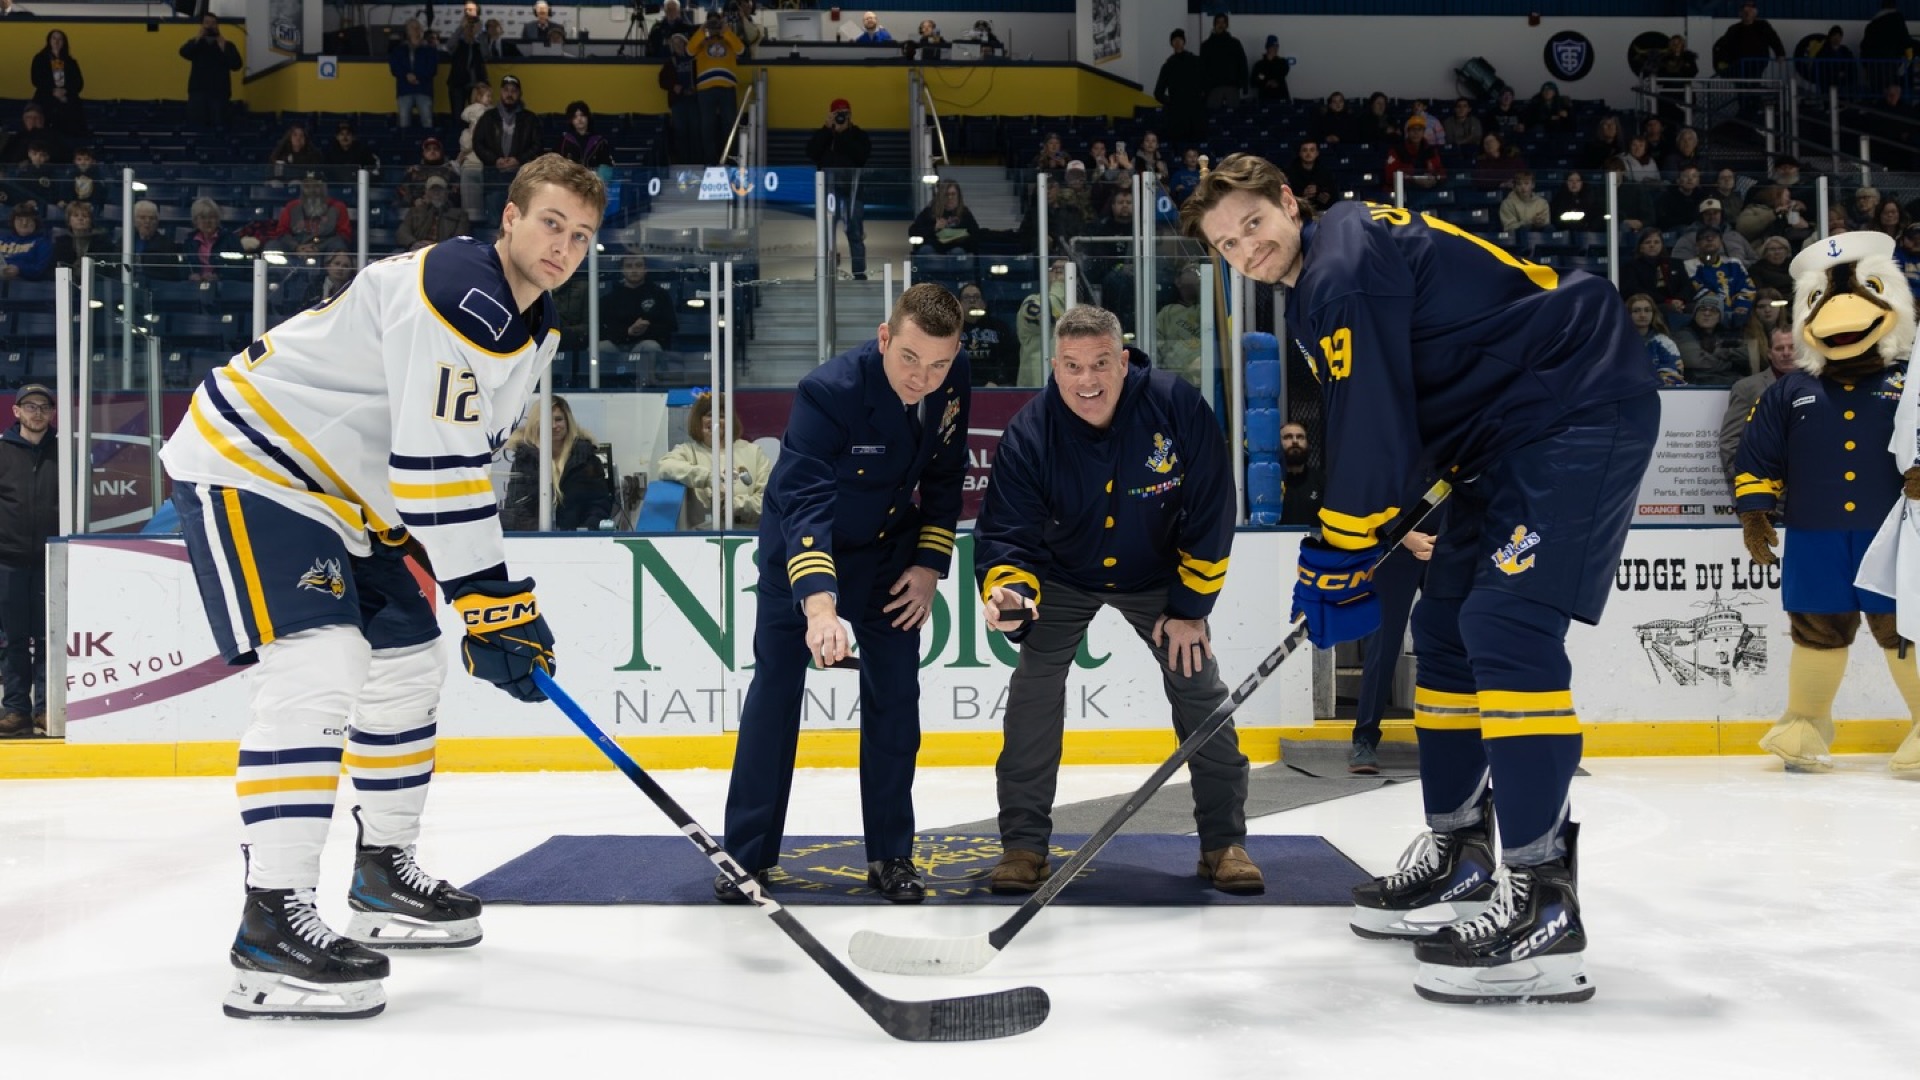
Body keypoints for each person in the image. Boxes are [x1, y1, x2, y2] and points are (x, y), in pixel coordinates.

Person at [1184, 154, 1658, 1003]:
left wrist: (1340, 549)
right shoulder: (1330, 270)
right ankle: (1460, 858)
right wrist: (1367, 536)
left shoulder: (1340, 265)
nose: (1244, 248)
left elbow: (1367, 421)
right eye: (1226, 243)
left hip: (1573, 403)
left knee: (1507, 630)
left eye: (1253, 223)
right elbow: (1401, 411)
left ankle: (1545, 900)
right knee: (1443, 630)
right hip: (1501, 435)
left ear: (1290, 202)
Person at [157, 155, 606, 1020]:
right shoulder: (458, 287)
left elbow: (468, 459)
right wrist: (494, 602)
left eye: (582, 236)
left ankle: (380, 875)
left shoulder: (534, 322)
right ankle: (269, 923)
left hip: (353, 501)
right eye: (551, 223)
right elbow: (435, 466)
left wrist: (486, 605)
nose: (565, 246)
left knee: (408, 662)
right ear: (507, 219)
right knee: (319, 665)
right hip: (259, 465)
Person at [974, 304, 1261, 894]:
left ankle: (1223, 842)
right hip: (1063, 575)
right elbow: (1008, 531)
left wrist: (1189, 609)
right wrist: (1012, 591)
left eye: (1101, 363)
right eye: (1073, 366)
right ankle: (1024, 847)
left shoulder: (1176, 405)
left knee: (1198, 684)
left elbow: (1211, 506)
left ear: (1124, 361)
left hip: (1157, 576)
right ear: (1054, 367)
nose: (1088, 380)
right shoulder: (1030, 431)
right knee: (1033, 690)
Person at [717, 283, 971, 905]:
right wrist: (820, 603)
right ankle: (746, 858)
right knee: (774, 695)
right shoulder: (827, 392)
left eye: (939, 364)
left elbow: (944, 475)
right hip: (800, 557)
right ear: (885, 337)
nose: (923, 377)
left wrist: (930, 564)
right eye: (910, 358)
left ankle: (891, 857)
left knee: (895, 702)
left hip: (888, 557)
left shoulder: (951, 378)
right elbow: (806, 501)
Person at [1350, 523, 1438, 774]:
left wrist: (1452, 537)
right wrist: (1402, 535)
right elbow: (1373, 494)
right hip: (1393, 548)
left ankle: (1456, 735)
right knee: (1382, 646)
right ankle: (1364, 738)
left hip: (1446, 546)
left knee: (1452, 644)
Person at [0, 384, 57, 738]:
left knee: (50, 638)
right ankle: (16, 710)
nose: (38, 412)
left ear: (52, 414)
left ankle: (48, 709)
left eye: (44, 407)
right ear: (16, 411)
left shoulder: (65, 451)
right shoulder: (2, 451)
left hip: (53, 560)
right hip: (8, 560)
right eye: (30, 406)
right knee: (14, 639)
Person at [652, 392, 773, 529]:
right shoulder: (688, 451)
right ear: (698, 420)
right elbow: (665, 467)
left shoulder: (753, 452)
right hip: (702, 538)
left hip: (747, 536)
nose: (715, 421)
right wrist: (709, 477)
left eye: (721, 416)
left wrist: (732, 505)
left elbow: (769, 500)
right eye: (709, 415)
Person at [502, 396, 613, 531]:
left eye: (559, 419)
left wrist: (586, 530)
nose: (554, 426)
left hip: (579, 540)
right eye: (547, 421)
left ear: (568, 421)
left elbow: (599, 504)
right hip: (535, 542)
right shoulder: (524, 460)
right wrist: (538, 535)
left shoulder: (587, 459)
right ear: (536, 424)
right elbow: (516, 507)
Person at [1719, 325, 1796, 492]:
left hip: (1807, 490)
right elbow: (1730, 441)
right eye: (1779, 348)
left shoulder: (1819, 386)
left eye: (1792, 347)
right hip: (1761, 489)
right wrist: (1743, 484)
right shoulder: (1747, 387)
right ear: (1769, 353)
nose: (1786, 353)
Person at [808, 98, 871, 280]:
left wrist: (843, 134)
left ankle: (859, 273)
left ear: (851, 115)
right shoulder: (825, 134)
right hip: (828, 191)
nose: (842, 117)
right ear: (831, 115)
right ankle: (824, 271)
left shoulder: (859, 135)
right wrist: (827, 130)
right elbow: (811, 153)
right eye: (838, 114)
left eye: (845, 113)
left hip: (853, 191)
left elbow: (861, 157)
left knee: (855, 233)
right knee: (826, 234)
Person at [472, 75, 543, 223]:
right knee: (494, 222)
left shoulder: (530, 119)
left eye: (513, 91)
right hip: (494, 176)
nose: (509, 94)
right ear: (501, 92)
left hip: (521, 178)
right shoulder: (488, 117)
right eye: (506, 90)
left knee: (519, 221)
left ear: (519, 94)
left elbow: (537, 145)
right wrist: (494, 160)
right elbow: (478, 143)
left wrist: (518, 160)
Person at [597, 255, 677, 383]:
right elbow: (602, 329)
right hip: (617, 345)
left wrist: (645, 329)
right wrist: (628, 331)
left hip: (645, 344)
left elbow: (671, 326)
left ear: (646, 269)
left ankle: (648, 384)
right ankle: (600, 385)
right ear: (622, 270)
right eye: (629, 266)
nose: (634, 270)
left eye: (638, 265)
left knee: (651, 347)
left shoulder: (659, 295)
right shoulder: (610, 298)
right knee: (596, 348)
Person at [688, 10, 746, 165]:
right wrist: (702, 31)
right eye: (711, 21)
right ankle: (710, 161)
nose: (714, 24)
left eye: (716, 21)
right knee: (707, 126)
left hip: (727, 87)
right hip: (706, 89)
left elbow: (741, 49)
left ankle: (730, 159)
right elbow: (689, 50)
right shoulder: (702, 42)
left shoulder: (729, 40)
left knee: (729, 125)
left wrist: (726, 31)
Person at [180, 14, 242, 131]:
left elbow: (236, 65)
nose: (210, 26)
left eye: (213, 23)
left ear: (218, 26)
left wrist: (223, 46)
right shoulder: (196, 44)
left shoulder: (228, 45)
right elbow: (183, 52)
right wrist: (198, 38)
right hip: (198, 93)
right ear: (202, 25)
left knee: (219, 127)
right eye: (207, 23)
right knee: (196, 127)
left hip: (219, 93)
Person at [1675, 293, 1746, 386]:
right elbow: (1697, 362)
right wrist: (1732, 364)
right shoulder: (1683, 334)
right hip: (1697, 385)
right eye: (1702, 309)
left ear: (1719, 317)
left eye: (1713, 310)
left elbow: (1748, 354)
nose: (1707, 313)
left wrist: (1720, 352)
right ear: (1695, 314)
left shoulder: (1727, 334)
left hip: (1730, 383)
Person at [958, 282, 1017, 387]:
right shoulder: (949, 330)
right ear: (959, 304)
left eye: (976, 297)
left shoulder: (999, 328)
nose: (972, 301)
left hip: (994, 386)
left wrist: (996, 381)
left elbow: (1010, 360)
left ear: (984, 303)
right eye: (966, 297)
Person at [1153, 29, 1206, 145]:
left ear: (1184, 42)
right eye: (1175, 40)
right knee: (1179, 146)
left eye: (1180, 40)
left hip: (1194, 112)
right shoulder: (1168, 66)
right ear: (1171, 43)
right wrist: (1172, 102)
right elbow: (1158, 92)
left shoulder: (1195, 61)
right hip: (1177, 115)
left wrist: (1200, 99)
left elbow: (1205, 83)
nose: (1177, 42)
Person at [30, 29, 86, 137]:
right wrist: (52, 91)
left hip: (68, 100)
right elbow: (36, 79)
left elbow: (78, 83)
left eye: (60, 39)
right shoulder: (40, 59)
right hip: (45, 98)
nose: (56, 41)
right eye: (54, 38)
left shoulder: (70, 62)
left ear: (64, 42)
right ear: (49, 41)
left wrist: (65, 91)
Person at [1627, 292, 1686, 387]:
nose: (1642, 315)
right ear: (1627, 314)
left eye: (1647, 310)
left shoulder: (1664, 342)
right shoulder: (1617, 342)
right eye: (1636, 311)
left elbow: (1674, 374)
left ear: (1653, 314)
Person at [1714, 1, 1787, 77]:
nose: (1747, 14)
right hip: (1738, 64)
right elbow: (1725, 46)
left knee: (1754, 79)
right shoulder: (1734, 29)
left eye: (1750, 11)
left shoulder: (1762, 26)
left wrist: (1780, 53)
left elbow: (1774, 39)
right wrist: (1724, 62)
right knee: (1741, 82)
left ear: (1755, 13)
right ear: (1740, 14)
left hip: (1758, 62)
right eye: (1745, 11)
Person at [388, 18, 438, 129]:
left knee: (427, 121)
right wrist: (406, 75)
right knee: (404, 122)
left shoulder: (429, 49)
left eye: (418, 27)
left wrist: (416, 76)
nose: (416, 30)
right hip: (405, 89)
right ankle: (405, 145)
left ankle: (428, 145)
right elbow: (394, 68)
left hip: (424, 89)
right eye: (413, 28)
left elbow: (432, 69)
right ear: (407, 31)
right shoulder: (399, 50)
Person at [908, 179, 978, 256]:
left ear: (958, 196)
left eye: (953, 194)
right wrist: (934, 228)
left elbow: (975, 233)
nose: (950, 198)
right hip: (935, 249)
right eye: (946, 195)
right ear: (941, 196)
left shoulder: (964, 213)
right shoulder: (930, 212)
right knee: (927, 250)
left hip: (956, 249)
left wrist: (963, 237)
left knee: (958, 252)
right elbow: (913, 231)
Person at [660, 33, 701, 164]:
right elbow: (662, 81)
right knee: (680, 132)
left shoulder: (695, 60)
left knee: (695, 131)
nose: (678, 46)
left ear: (686, 43)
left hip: (694, 99)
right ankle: (683, 163)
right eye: (675, 44)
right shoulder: (670, 62)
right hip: (678, 101)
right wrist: (673, 86)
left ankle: (696, 162)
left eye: (680, 42)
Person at [397, 176, 466, 251]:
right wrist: (413, 243)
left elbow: (460, 238)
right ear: (426, 193)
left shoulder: (460, 214)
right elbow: (402, 232)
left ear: (446, 193)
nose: (436, 193)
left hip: (444, 252)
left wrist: (438, 246)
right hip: (418, 250)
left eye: (440, 190)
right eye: (432, 190)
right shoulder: (414, 212)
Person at [1199, 13, 1248, 110]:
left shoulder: (1235, 43)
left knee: (1233, 120)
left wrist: (1244, 85)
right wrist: (1202, 88)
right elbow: (1201, 68)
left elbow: (1242, 64)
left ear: (1227, 25)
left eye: (1223, 22)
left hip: (1232, 87)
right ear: (1214, 24)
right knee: (1213, 120)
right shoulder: (1206, 45)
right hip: (1213, 88)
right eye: (1218, 22)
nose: (1221, 25)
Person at [446, 2, 488, 116]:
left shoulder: (480, 39)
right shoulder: (459, 40)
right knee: (457, 115)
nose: (468, 12)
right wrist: (461, 28)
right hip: (457, 83)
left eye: (471, 10)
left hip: (476, 83)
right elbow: (449, 46)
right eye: (466, 10)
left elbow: (486, 54)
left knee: (477, 115)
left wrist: (478, 35)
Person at [1279, 421, 1323, 526]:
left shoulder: (1322, 482)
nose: (1295, 441)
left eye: (1300, 437)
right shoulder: (1269, 482)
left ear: (1307, 443)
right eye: (1288, 437)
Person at [555, 101, 614, 174]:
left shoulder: (600, 141)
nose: (579, 119)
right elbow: (556, 165)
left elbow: (606, 166)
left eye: (582, 115)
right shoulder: (564, 140)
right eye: (575, 116)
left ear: (588, 117)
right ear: (571, 120)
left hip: (593, 181)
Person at [0, 204, 52, 283]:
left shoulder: (43, 243)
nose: (24, 223)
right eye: (19, 219)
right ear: (13, 222)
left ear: (36, 222)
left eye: (29, 219)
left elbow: (39, 270)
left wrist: (19, 269)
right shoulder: (2, 239)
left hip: (25, 286)